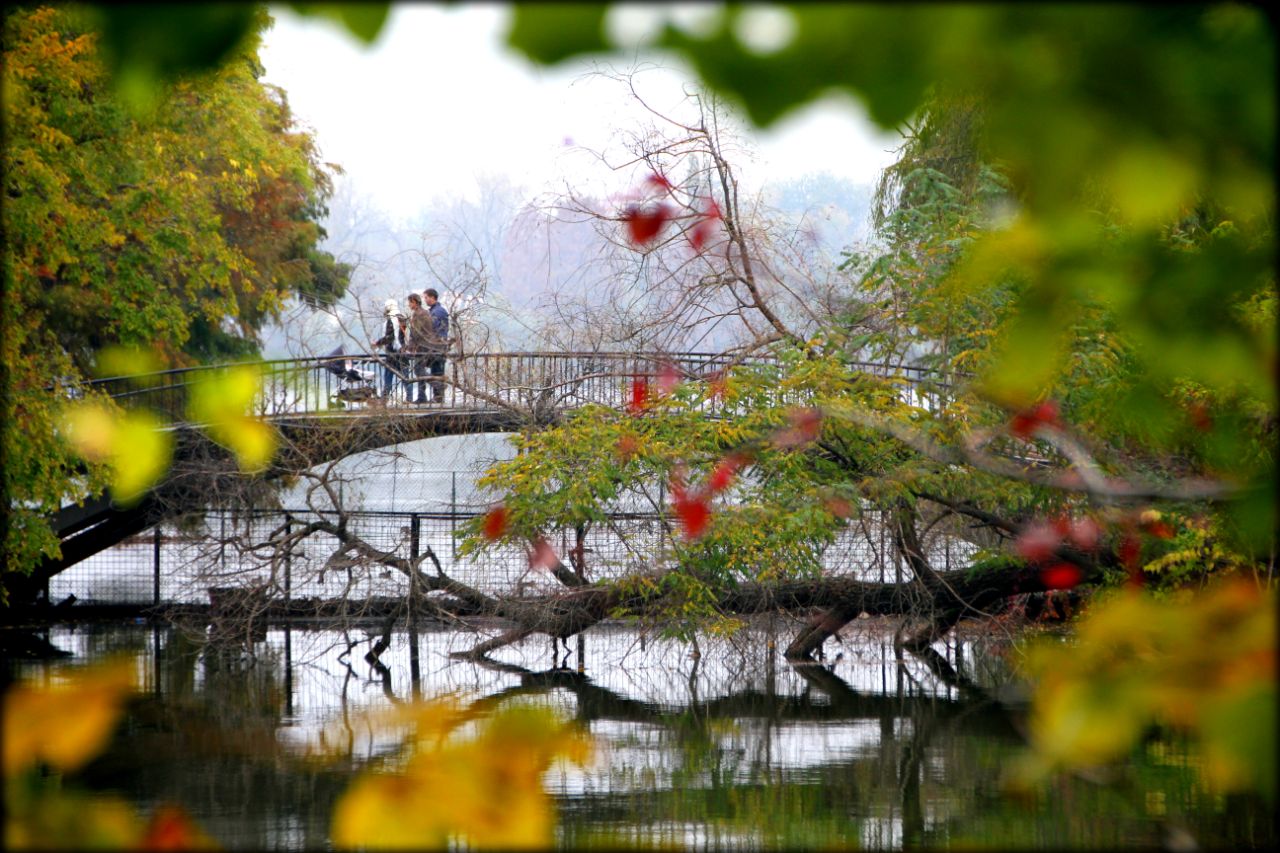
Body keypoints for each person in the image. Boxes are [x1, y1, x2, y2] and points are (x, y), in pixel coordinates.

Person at [372, 298, 406, 401]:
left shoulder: (391, 319)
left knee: (388, 375)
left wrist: (377, 343)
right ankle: (409, 397)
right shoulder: (402, 318)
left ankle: (385, 398)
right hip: (403, 351)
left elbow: (390, 337)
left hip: (392, 352)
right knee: (405, 376)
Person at [422, 288, 450, 404]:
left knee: (437, 371)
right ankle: (438, 397)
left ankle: (438, 397)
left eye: (426, 297)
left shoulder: (438, 312)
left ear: (433, 297)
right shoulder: (434, 311)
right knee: (435, 371)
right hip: (435, 346)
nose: (425, 300)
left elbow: (433, 330)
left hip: (437, 347)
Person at [405, 291, 432, 404]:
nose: (409, 305)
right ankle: (422, 396)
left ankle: (437, 384)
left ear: (415, 302)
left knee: (418, 370)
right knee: (419, 370)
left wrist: (410, 347)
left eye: (410, 303)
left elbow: (416, 333)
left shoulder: (419, 314)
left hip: (421, 347)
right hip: (425, 345)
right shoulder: (424, 312)